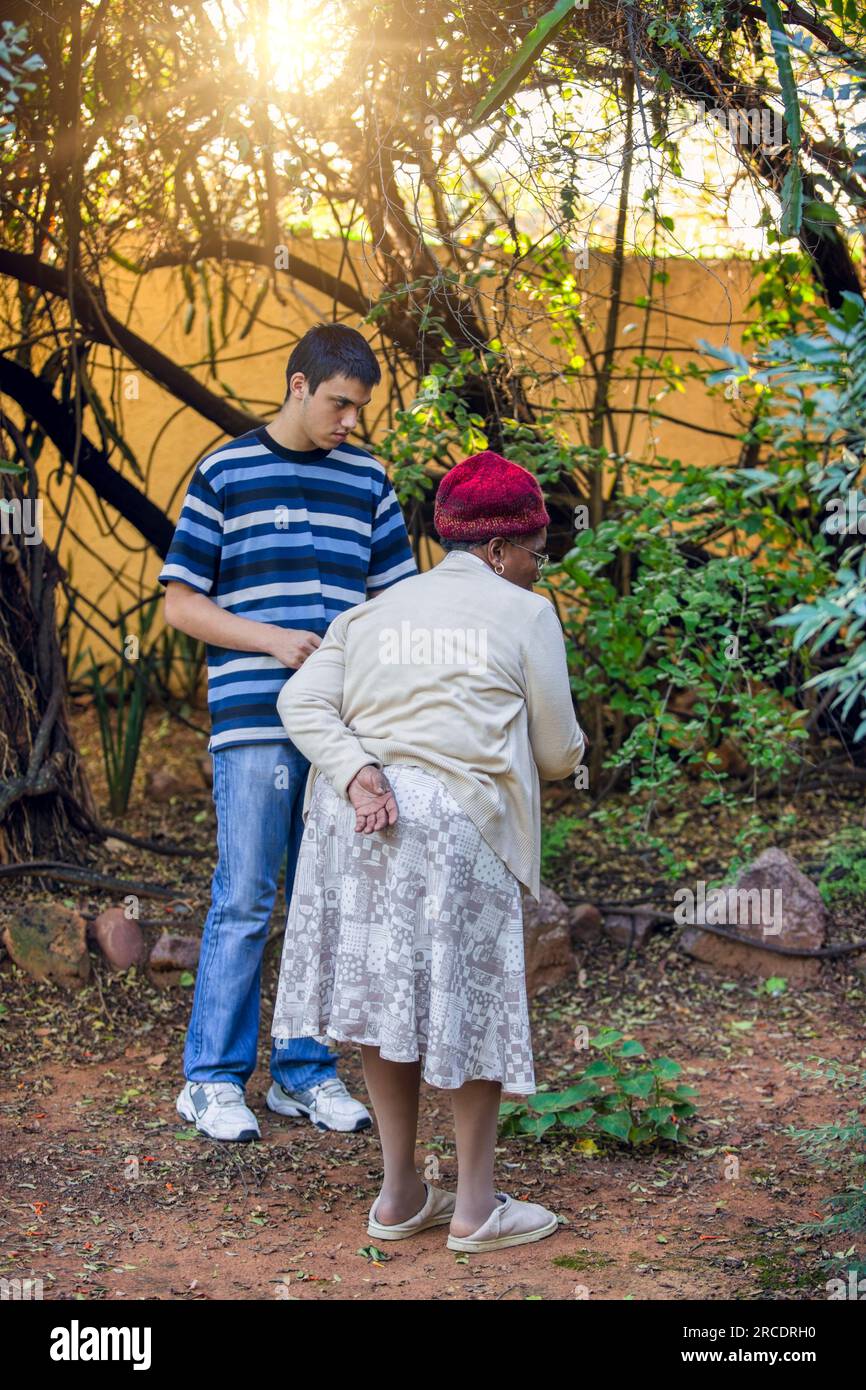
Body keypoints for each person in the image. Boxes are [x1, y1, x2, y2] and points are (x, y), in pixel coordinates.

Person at [270, 450, 587, 1253]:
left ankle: (400, 1193)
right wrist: (574, 750)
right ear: (497, 551)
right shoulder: (528, 614)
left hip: (361, 821)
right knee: (471, 1006)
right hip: (456, 822)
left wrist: (358, 768)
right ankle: (477, 1209)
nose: (533, 571)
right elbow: (555, 752)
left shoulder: (375, 612)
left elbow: (299, 699)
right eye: (533, 556)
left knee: (388, 1000)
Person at [158, 323, 417, 1142]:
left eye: (359, 408)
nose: (350, 419)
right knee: (247, 895)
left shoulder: (369, 479)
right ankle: (212, 1079)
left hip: (342, 732)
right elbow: (180, 603)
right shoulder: (225, 470)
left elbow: (396, 604)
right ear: (299, 385)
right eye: (340, 403)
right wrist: (271, 639)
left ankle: (303, 1073)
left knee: (324, 901)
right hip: (253, 720)